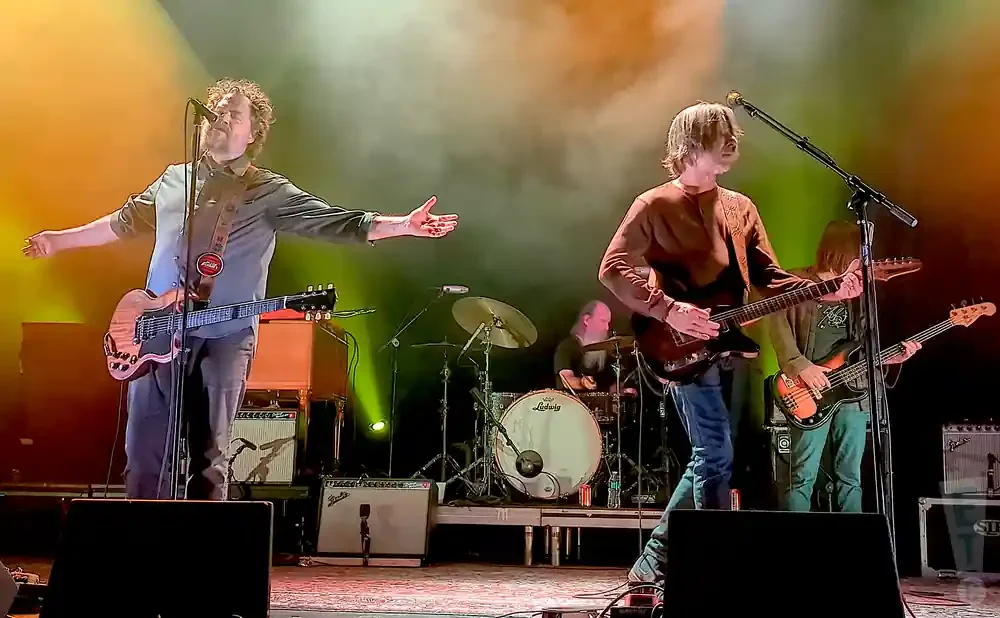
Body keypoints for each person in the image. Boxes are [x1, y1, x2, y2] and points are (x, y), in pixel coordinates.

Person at [22, 78, 458, 501]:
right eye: (217, 112)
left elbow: (333, 220)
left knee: (208, 458)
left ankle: (207, 561)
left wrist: (401, 225)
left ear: (253, 134)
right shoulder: (174, 179)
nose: (221, 120)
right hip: (154, 333)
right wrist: (57, 240)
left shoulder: (268, 190)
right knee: (144, 457)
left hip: (224, 337)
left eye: (233, 115)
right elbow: (121, 223)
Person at [598, 101, 862, 585]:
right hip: (675, 345)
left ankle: (652, 563)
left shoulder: (741, 208)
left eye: (730, 143)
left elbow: (771, 278)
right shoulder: (653, 204)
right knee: (714, 454)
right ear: (689, 145)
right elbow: (612, 267)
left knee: (711, 454)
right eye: (718, 142)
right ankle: (708, 571)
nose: (728, 152)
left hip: (729, 345)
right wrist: (667, 308)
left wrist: (829, 287)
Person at [768, 220, 919, 512]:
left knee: (850, 478)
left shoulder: (863, 293)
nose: (865, 260)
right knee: (802, 477)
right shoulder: (796, 281)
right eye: (860, 253)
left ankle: (851, 551)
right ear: (843, 251)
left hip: (854, 392)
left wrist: (889, 358)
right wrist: (800, 366)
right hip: (808, 389)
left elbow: (861, 349)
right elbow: (775, 323)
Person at [553, 300, 613, 391]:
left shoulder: (603, 353)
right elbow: (567, 380)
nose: (607, 328)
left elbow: (606, 386)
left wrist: (620, 391)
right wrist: (582, 382)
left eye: (608, 323)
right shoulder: (567, 347)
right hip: (570, 403)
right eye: (603, 321)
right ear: (587, 320)